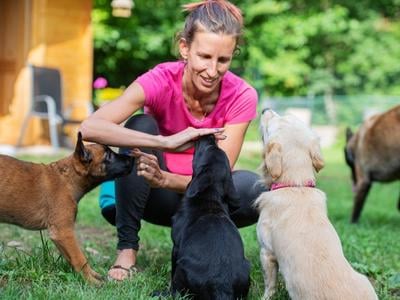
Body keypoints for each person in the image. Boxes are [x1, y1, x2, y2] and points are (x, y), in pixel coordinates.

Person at [80, 0, 265, 281]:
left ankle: (198, 242)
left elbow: (218, 176)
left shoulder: (242, 95)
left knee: (255, 189)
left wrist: (165, 179)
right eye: (204, 56)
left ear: (233, 56)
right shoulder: (160, 80)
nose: (213, 70)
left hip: (199, 201)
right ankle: (126, 250)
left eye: (223, 60)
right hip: (149, 198)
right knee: (140, 124)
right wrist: (166, 143)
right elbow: (90, 128)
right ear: (184, 48)